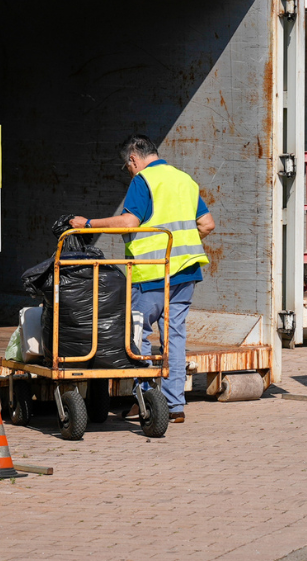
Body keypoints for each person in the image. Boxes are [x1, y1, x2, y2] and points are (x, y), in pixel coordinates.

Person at [70, 135, 215, 422]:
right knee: (174, 338)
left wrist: (87, 224)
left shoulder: (143, 180)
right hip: (186, 273)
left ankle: (145, 398)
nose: (130, 171)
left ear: (133, 160)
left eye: (128, 167)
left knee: (139, 336)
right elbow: (206, 224)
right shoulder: (183, 179)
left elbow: (129, 222)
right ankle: (175, 406)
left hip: (151, 273)